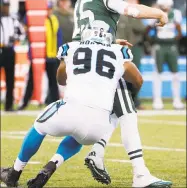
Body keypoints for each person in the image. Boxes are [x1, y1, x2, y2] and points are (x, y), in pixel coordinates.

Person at [0, 21, 142, 188]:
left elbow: (61, 80)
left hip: (72, 108)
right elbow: (138, 80)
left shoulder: (71, 48)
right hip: (98, 126)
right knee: (79, 135)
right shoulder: (120, 52)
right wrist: (129, 94)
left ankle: (14, 173)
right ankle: (50, 166)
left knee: (39, 126)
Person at [18, 1, 63, 110]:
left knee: (53, 81)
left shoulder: (54, 19)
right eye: (47, 9)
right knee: (32, 81)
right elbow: (26, 22)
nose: (49, 11)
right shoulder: (37, 19)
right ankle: (24, 103)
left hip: (50, 56)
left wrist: (59, 52)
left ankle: (55, 104)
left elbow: (59, 37)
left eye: (50, 9)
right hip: (38, 57)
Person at [146, 0, 184, 110]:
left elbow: (179, 29)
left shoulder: (176, 13)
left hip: (171, 45)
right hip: (159, 46)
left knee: (175, 74)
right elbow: (148, 29)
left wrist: (175, 39)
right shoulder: (155, 13)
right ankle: (157, 99)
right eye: (163, 6)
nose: (165, 8)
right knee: (158, 73)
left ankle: (177, 99)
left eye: (166, 6)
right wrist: (152, 40)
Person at [117, 0, 146, 109]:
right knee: (120, 77)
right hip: (120, 49)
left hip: (132, 48)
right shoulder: (119, 15)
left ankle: (134, 100)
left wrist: (134, 12)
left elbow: (141, 28)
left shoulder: (131, 15)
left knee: (134, 76)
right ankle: (122, 101)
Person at [0, 0, 25, 111]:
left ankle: (9, 105)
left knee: (10, 79)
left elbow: (22, 33)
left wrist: (15, 38)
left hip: (9, 50)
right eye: (4, 6)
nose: (5, 8)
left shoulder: (13, 20)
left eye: (7, 6)